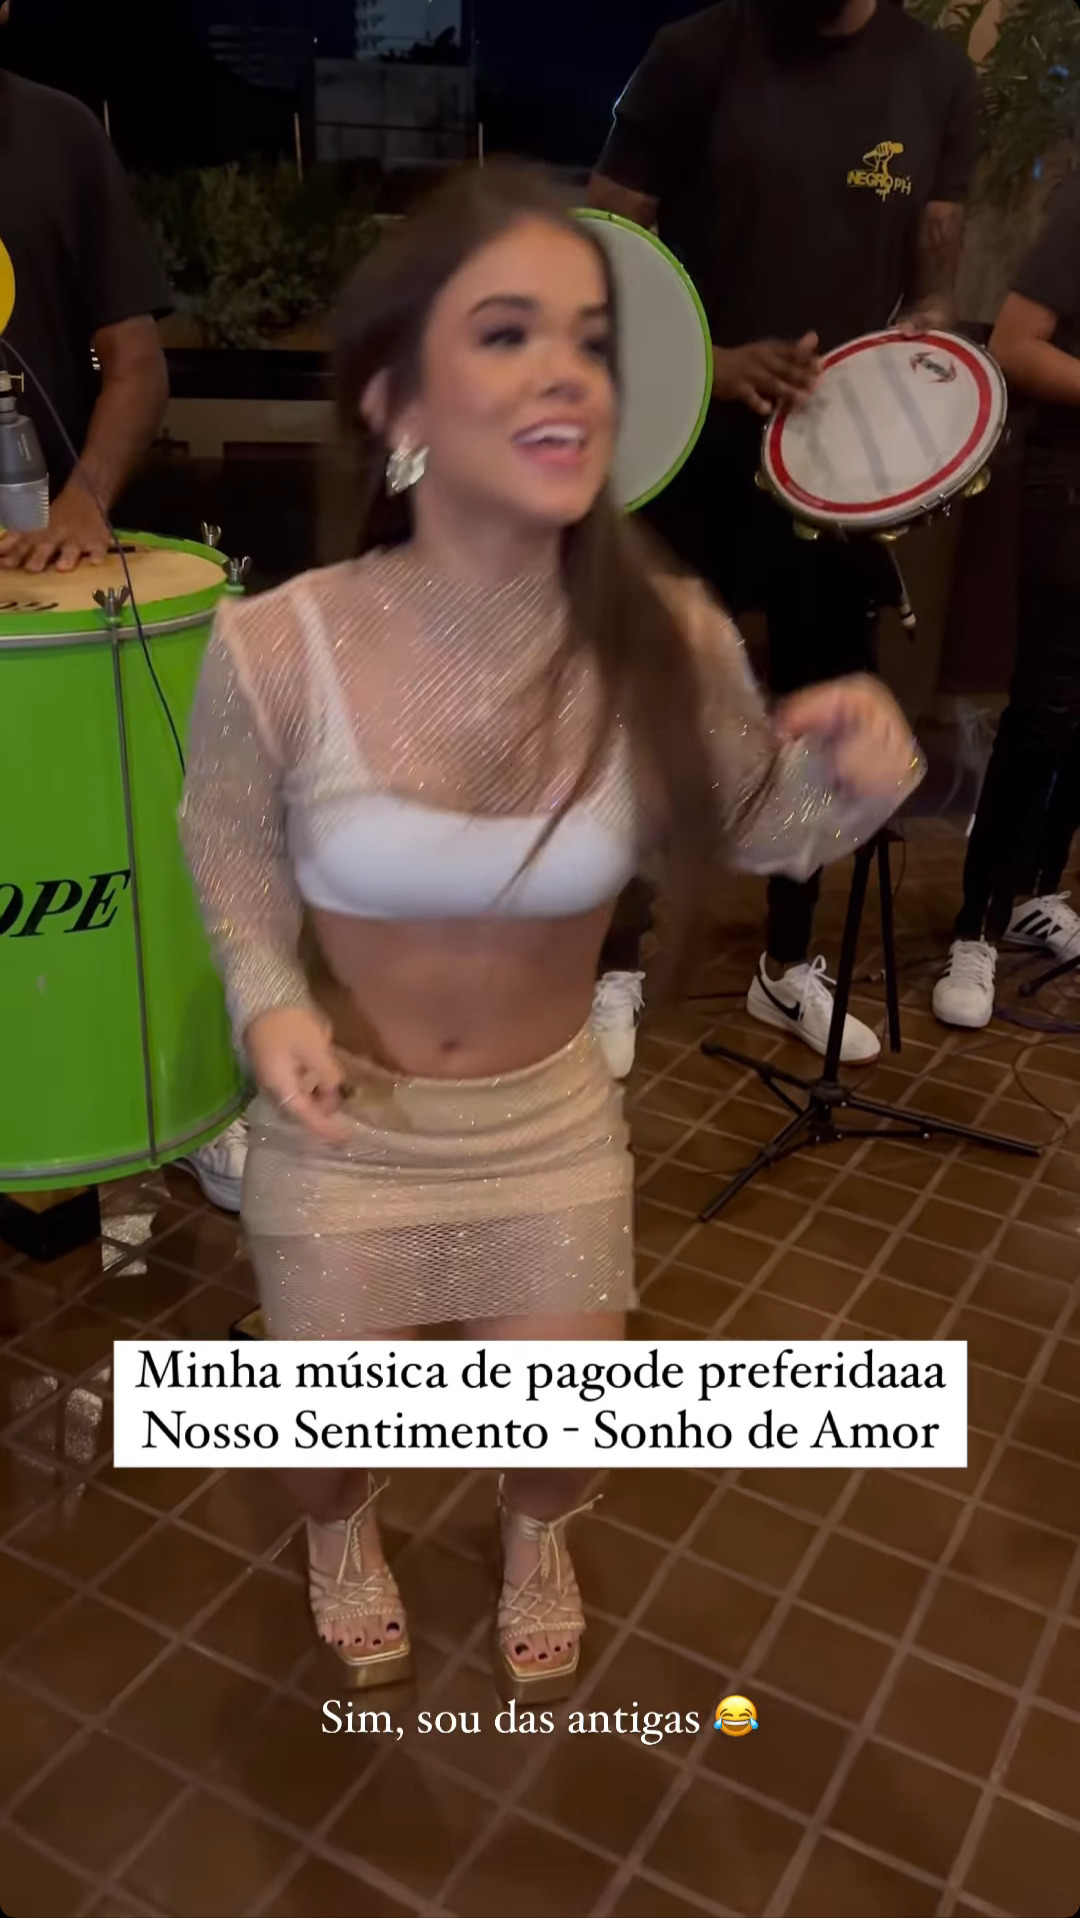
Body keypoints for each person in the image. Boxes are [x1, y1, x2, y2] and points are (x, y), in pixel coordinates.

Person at [179, 161, 923, 1698]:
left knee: (564, 1432)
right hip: (344, 1134)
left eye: (589, 339)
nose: (569, 372)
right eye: (508, 332)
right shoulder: (273, 643)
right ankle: (342, 1530)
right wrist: (266, 994)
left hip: (547, 1124)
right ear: (395, 400)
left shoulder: (668, 638)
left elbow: (762, 821)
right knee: (324, 1451)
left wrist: (858, 771)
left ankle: (534, 1536)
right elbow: (229, 844)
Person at [589, 0, 978, 1070]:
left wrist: (925, 346)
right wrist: (711, 365)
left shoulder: (937, 76)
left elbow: (933, 277)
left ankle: (788, 963)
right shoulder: (694, 53)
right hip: (688, 457)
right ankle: (616, 964)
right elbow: (600, 263)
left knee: (823, 721)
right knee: (652, 711)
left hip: (832, 471)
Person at [0, 20, 248, 1205]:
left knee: (111, 862)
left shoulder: (56, 135)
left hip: (55, 576)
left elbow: (135, 362)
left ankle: (174, 1093)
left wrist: (83, 498)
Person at [934, 172, 1080, 1028]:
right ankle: (976, 930)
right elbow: (1018, 345)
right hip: (1071, 482)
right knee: (1046, 708)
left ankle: (1037, 894)